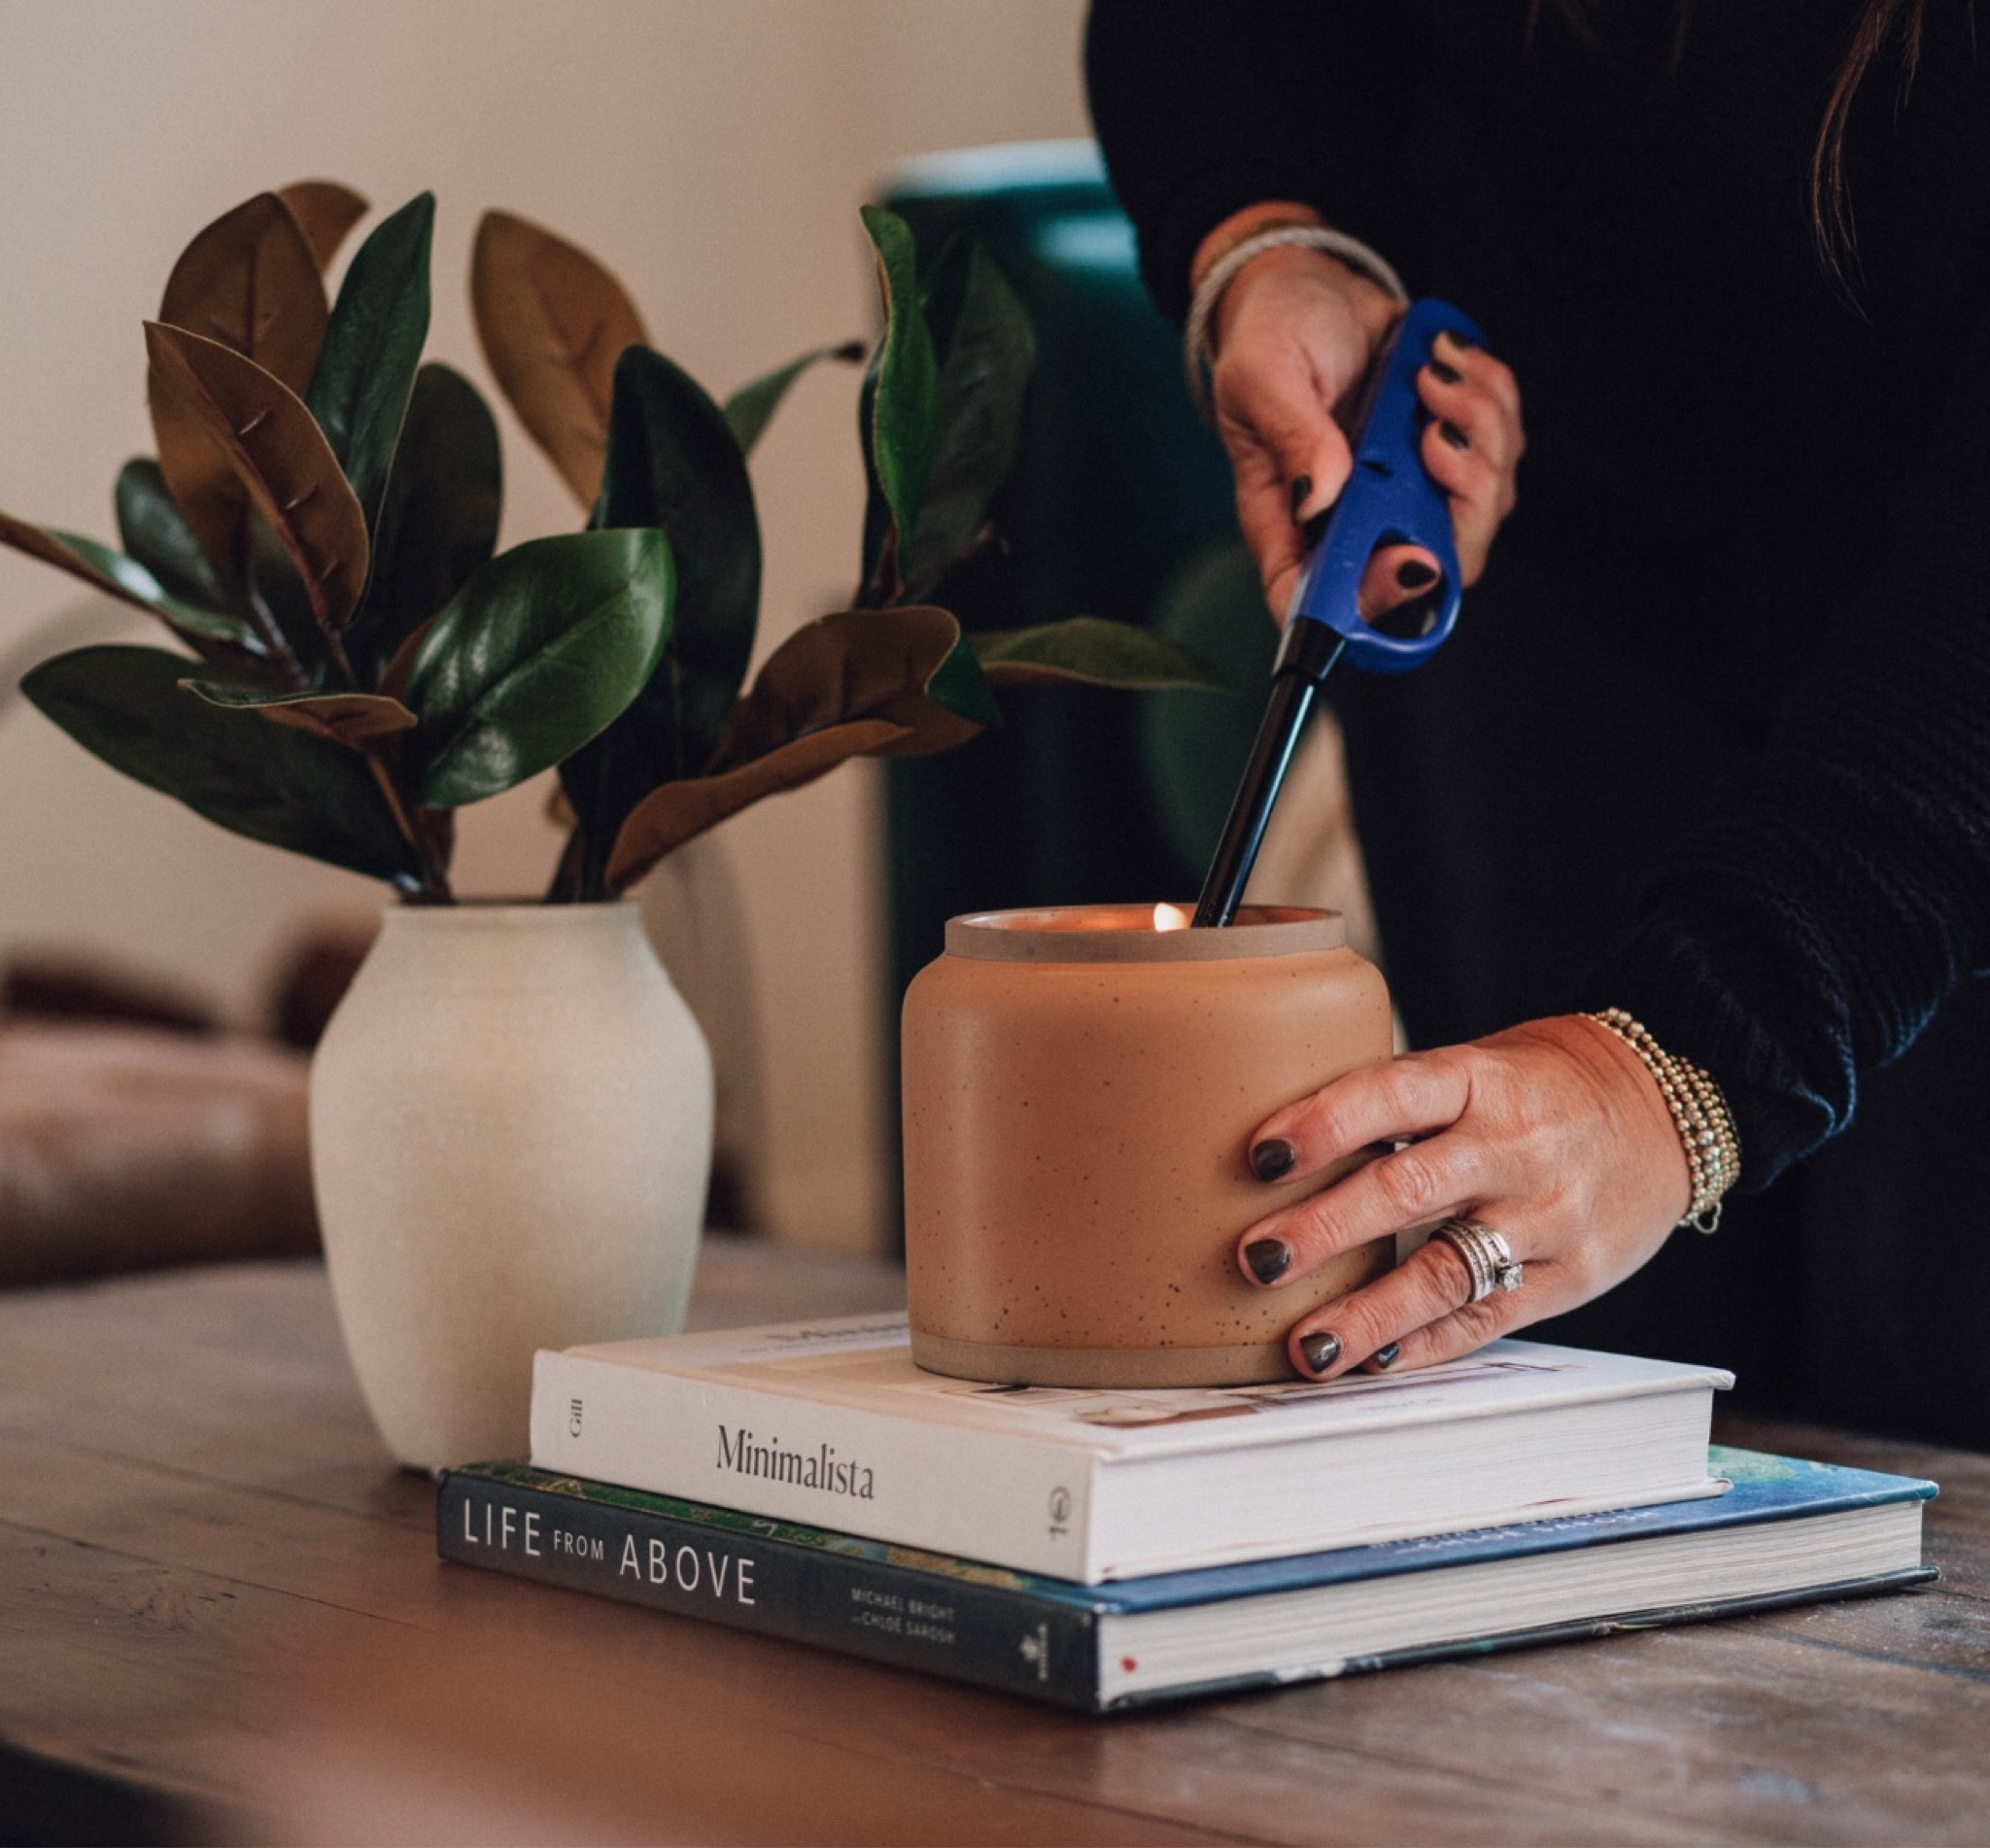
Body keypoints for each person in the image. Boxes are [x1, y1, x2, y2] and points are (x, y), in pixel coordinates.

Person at [1084, 0, 1990, 1445]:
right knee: (1591, 1425)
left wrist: (1682, 1060)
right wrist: (1272, 239)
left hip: (1947, 737)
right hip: (1545, 606)